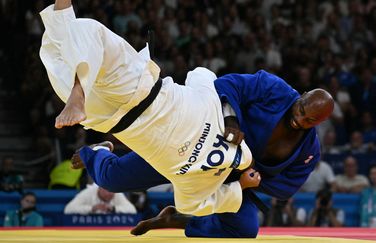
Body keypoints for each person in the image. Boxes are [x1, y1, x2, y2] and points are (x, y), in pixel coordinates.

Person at [39, 0, 259, 217]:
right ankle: (79, 90)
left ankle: (79, 91)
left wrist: (229, 118)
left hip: (126, 100)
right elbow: (191, 206)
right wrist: (239, 186)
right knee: (71, 42)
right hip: (125, 99)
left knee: (66, 43)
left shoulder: (214, 126)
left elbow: (200, 73)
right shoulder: (195, 181)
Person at [72, 69, 334, 238]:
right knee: (111, 179)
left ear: (318, 123)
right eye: (301, 109)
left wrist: (252, 178)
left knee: (244, 229)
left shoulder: (309, 150)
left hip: (229, 176)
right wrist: (232, 120)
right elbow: (228, 84)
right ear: (302, 95)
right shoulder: (274, 90)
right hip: (193, 147)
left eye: (309, 120)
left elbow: (289, 186)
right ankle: (96, 153)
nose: (300, 119)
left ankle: (176, 219)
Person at [64, 185, 137, 214]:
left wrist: (113, 208)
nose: (109, 193)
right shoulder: (87, 193)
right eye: (106, 190)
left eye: (112, 190)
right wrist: (92, 208)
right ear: (99, 188)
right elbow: (68, 209)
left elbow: (132, 210)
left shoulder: (117, 193)